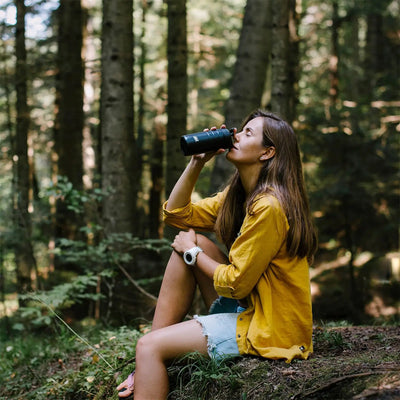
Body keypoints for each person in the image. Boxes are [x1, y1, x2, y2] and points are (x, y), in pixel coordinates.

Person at [117, 109, 318, 399]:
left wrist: (194, 252)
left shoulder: (269, 207)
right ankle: (148, 360)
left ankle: (150, 354)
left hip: (268, 326)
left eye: (248, 133)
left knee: (148, 347)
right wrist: (198, 162)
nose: (236, 134)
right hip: (247, 305)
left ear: (267, 153)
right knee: (190, 243)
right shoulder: (239, 196)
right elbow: (176, 214)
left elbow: (235, 284)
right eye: (240, 129)